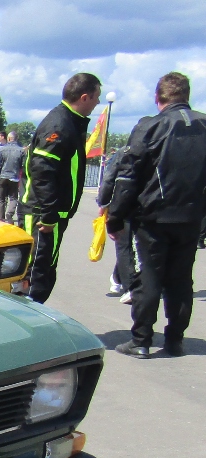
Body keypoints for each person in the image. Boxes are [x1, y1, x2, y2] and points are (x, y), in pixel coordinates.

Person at [108, 72, 206, 358]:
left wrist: (116, 216)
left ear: (157, 97)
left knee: (148, 278)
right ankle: (175, 339)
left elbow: (128, 177)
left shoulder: (151, 127)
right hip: (190, 218)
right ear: (186, 95)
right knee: (180, 279)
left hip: (153, 217)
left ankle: (141, 340)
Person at [19, 72, 101, 303]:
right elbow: (42, 171)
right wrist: (48, 214)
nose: (97, 103)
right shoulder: (60, 124)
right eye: (96, 97)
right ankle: (30, 325)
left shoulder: (69, 122)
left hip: (51, 213)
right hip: (41, 214)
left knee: (43, 270)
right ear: (84, 97)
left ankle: (34, 322)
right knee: (34, 272)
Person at [97, 148, 136, 303]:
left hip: (141, 205)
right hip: (124, 204)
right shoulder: (124, 153)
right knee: (125, 245)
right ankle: (130, 287)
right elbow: (108, 179)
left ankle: (117, 276)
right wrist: (104, 202)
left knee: (133, 246)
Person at [0, 131, 24, 225]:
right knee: (13, 198)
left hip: (3, 176)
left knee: (1, 198)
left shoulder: (2, 149)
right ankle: (9, 213)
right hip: (14, 177)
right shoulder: (21, 150)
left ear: (9, 138)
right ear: (16, 139)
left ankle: (0, 217)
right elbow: (23, 166)